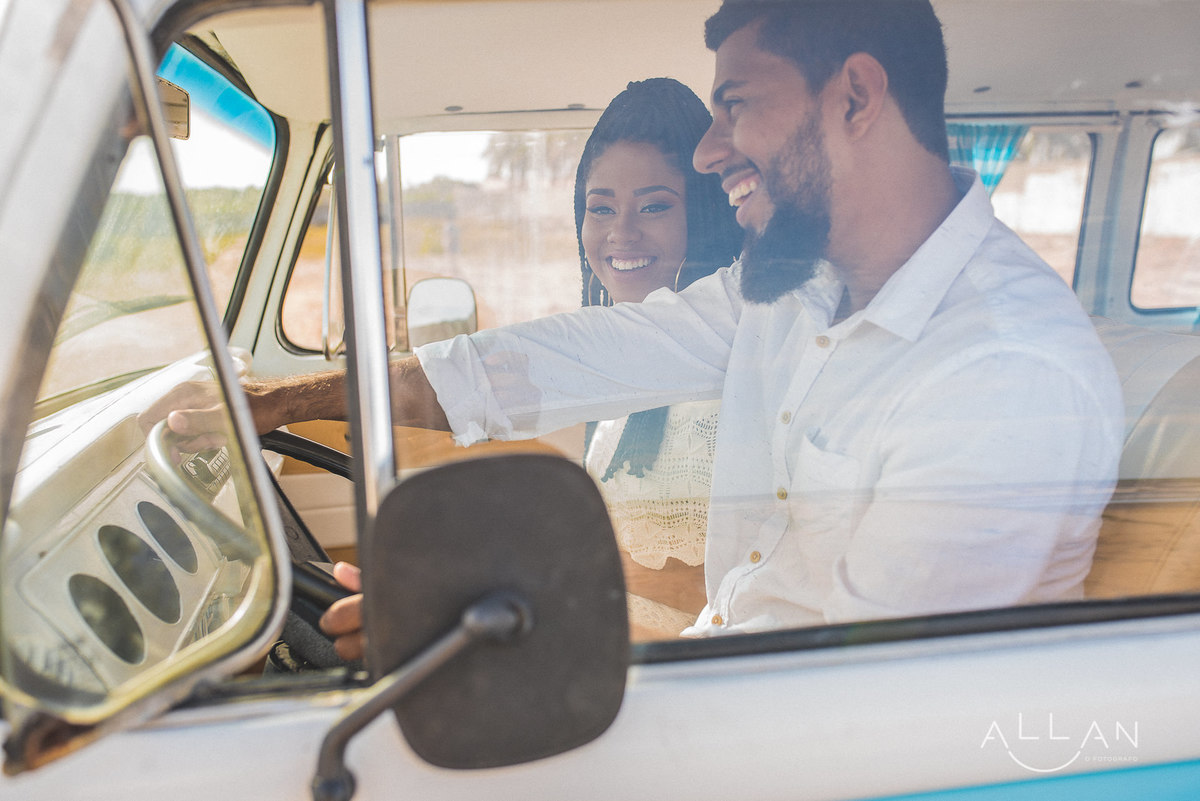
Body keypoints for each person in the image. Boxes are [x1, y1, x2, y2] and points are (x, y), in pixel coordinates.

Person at [171, 0, 1123, 661]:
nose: (712, 152)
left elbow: (843, 695)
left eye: (735, 105)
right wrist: (272, 402)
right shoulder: (791, 288)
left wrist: (488, 623)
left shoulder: (1003, 371)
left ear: (857, 97)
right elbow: (544, 362)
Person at [573, 78, 742, 639]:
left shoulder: (725, 386)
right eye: (601, 208)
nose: (621, 233)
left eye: (653, 206)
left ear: (706, 216)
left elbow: (705, 601)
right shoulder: (622, 356)